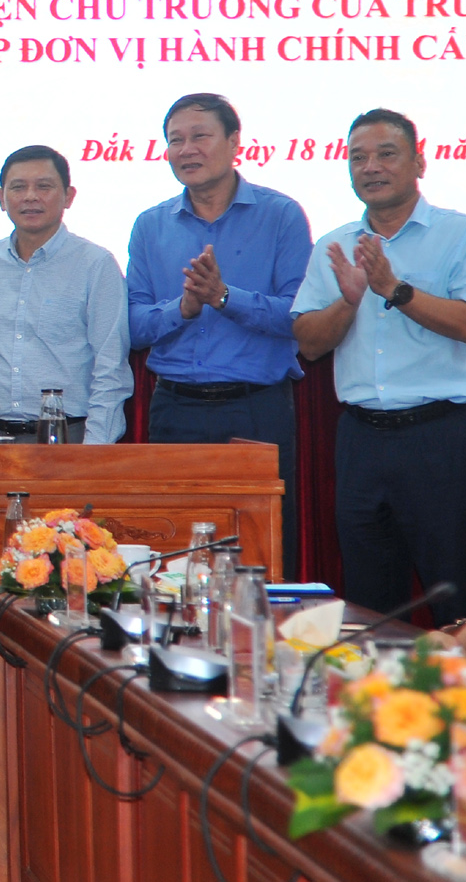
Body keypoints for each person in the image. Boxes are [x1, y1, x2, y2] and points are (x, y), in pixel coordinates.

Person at [292, 109, 466, 625]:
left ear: (419, 163)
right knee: (369, 601)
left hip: (437, 438)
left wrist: (393, 290)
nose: (371, 167)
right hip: (361, 440)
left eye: (386, 154)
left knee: (453, 591)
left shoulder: (464, 233)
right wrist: (349, 301)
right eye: (358, 158)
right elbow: (310, 345)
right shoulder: (334, 245)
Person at [126, 94, 312, 578]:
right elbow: (134, 326)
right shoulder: (150, 225)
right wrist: (184, 309)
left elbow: (299, 316)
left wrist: (225, 298)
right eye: (175, 140)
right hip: (176, 410)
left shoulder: (281, 215)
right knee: (173, 553)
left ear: (234, 142)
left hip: (256, 410)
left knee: (261, 552)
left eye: (200, 136)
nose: (186, 149)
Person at [0, 146, 132, 444]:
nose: (30, 196)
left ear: (69, 196)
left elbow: (110, 368)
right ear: (1, 198)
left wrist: (94, 450)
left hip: (67, 437)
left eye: (44, 186)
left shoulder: (95, 264)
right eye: (18, 187)